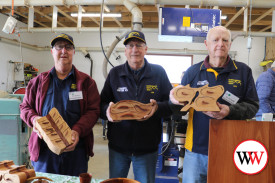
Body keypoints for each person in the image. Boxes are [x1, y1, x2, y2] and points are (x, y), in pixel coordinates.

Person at [169, 26, 259, 183]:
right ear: (206, 44)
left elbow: (253, 106)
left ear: (230, 45)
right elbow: (178, 112)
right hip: (196, 150)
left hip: (231, 148)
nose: (220, 44)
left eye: (225, 40)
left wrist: (229, 111)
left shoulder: (243, 72)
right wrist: (175, 101)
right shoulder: (192, 72)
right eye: (215, 40)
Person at [20, 33, 100, 176]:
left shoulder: (87, 83)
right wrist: (34, 119)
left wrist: (77, 130)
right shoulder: (37, 82)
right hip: (44, 152)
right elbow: (25, 107)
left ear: (73, 52)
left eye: (68, 47)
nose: (64, 51)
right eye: (59, 47)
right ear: (52, 51)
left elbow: (93, 111)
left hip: (76, 150)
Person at [100, 30, 172, 183]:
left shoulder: (158, 73)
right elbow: (101, 104)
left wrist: (157, 107)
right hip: (118, 148)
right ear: (125, 51)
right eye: (130, 45)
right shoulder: (115, 74)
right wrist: (107, 112)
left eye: (139, 45)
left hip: (147, 149)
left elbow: (171, 105)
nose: (135, 49)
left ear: (146, 49)